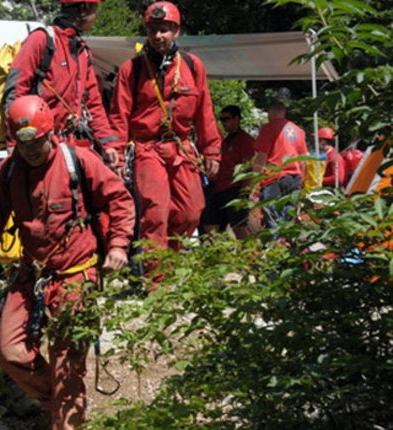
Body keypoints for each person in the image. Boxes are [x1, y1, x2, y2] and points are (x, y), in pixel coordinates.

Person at [0, 95, 134, 429]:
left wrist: (118, 245)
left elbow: (120, 200)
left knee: (67, 363)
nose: (30, 151)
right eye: (23, 145)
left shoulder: (79, 162)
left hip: (76, 274)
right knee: (9, 350)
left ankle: (66, 416)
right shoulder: (9, 170)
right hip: (32, 273)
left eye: (37, 143)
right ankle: (59, 402)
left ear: (50, 134)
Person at [102, 1, 221, 286]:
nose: (159, 36)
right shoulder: (131, 69)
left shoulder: (193, 66)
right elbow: (118, 115)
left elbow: (205, 111)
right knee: (155, 215)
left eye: (165, 30)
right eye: (154, 30)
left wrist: (212, 150)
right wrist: (116, 156)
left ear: (176, 31)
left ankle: (170, 263)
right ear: (147, 30)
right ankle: (158, 285)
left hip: (181, 149)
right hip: (147, 150)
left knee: (191, 211)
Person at [3, 0, 112, 152]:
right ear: (84, 9)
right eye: (94, 9)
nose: (96, 15)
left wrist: (108, 144)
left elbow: (93, 104)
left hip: (70, 145)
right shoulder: (41, 40)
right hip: (39, 146)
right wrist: (13, 143)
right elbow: (15, 93)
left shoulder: (82, 51)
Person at [201, 105, 255, 239]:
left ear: (237, 119)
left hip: (235, 189)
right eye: (221, 119)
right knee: (210, 226)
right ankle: (221, 255)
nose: (224, 123)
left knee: (239, 227)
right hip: (219, 189)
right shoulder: (226, 141)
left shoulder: (245, 140)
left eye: (227, 119)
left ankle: (251, 257)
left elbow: (250, 168)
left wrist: (245, 192)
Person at [252, 100, 308, 227]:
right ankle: (287, 244)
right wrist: (302, 181)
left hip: (274, 179)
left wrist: (254, 183)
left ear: (271, 112)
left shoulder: (268, 128)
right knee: (289, 217)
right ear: (284, 112)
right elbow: (304, 160)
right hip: (294, 179)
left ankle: (276, 245)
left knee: (273, 218)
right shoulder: (298, 130)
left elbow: (261, 157)